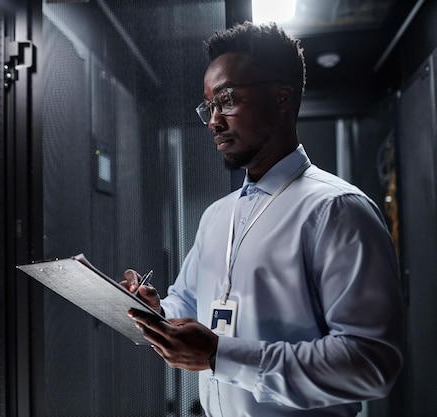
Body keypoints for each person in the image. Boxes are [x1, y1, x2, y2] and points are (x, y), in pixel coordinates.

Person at [124, 21, 403, 417]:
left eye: (227, 100)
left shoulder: (337, 210)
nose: (213, 121)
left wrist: (223, 355)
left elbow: (370, 364)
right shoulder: (216, 216)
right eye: (209, 106)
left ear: (282, 97)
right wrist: (155, 311)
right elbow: (184, 302)